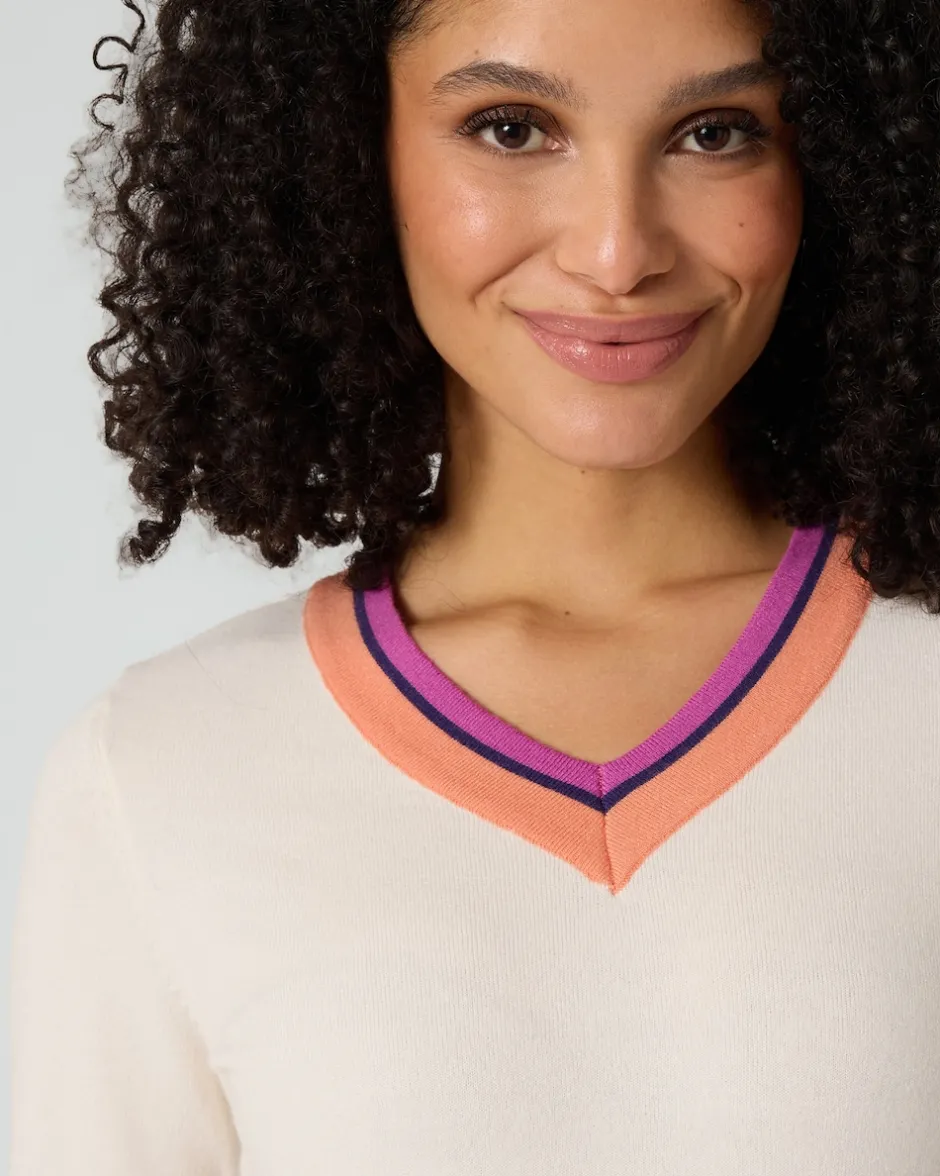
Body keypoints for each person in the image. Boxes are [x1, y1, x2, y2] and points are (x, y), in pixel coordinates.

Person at [10, 0, 940, 1169]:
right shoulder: (158, 767)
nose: (617, 252)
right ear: (347, 152)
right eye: (510, 128)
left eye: (713, 133)